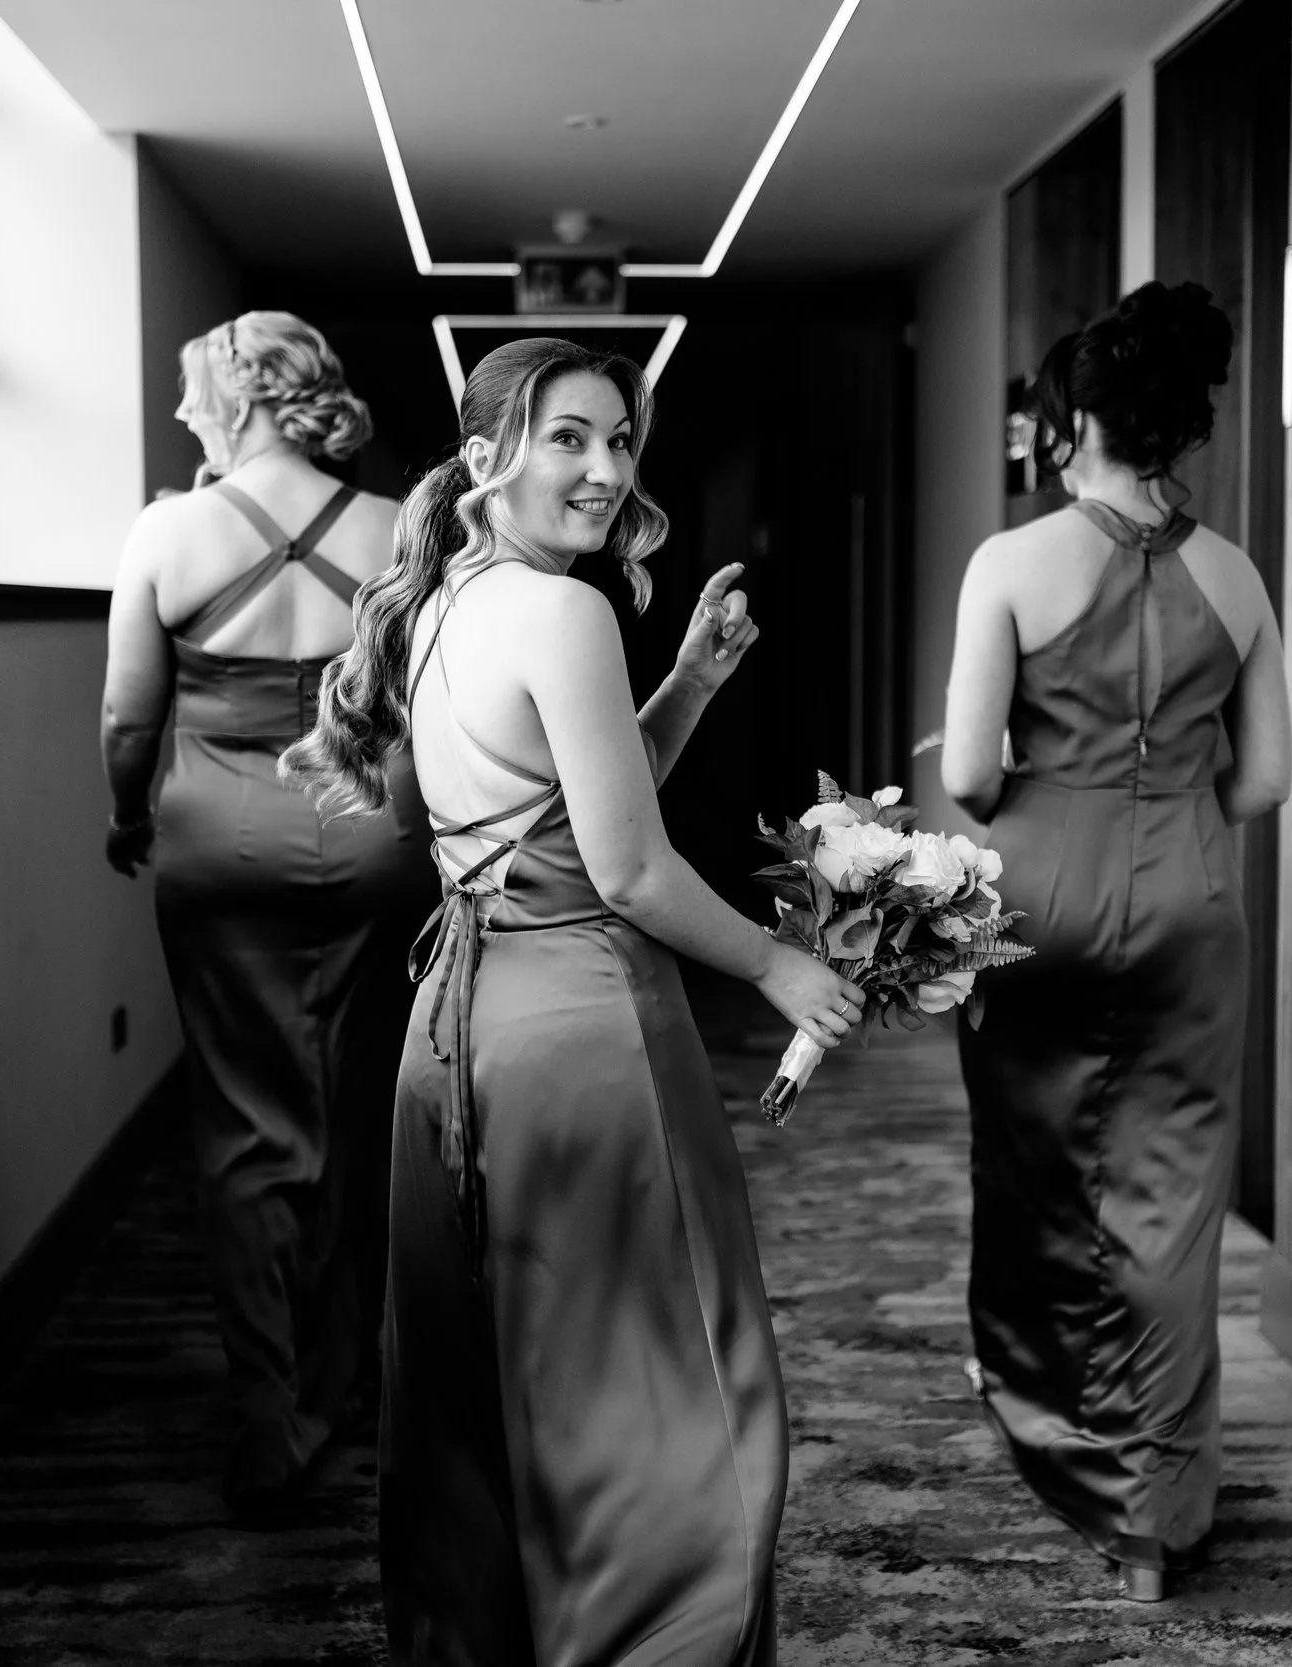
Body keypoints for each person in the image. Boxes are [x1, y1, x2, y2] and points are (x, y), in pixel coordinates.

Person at [282, 337, 863, 1665]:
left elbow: (557, 800)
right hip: (589, 1037)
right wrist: (781, 963)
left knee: (487, 1404)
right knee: (668, 1411)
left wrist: (694, 683)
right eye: (569, 438)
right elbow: (633, 865)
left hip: (456, 1039)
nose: (605, 471)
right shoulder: (565, 610)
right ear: (486, 455)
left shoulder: (444, 603)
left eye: (620, 440)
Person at [937, 282, 1292, 1601]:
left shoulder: (1012, 565)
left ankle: (1070, 1447)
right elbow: (1263, 783)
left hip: (1045, 895)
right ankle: (1159, 1514)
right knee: (1171, 1206)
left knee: (1041, 1180)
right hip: (1196, 895)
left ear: (1073, 418)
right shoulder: (1237, 573)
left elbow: (972, 774)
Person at [99, 311, 432, 1517]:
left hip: (220, 848)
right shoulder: (399, 528)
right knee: (356, 1108)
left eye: (193, 391)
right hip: (375, 840)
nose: (182, 411)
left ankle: (270, 1419)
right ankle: (355, 1381)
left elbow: (129, 721)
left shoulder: (167, 529)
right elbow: (432, 704)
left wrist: (129, 813)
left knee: (250, 1127)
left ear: (237, 402)